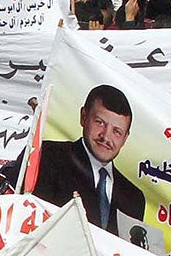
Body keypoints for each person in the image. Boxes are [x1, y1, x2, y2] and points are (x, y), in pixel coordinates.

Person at [32, 85, 147, 236]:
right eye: (100, 123)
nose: (106, 137)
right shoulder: (47, 157)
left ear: (125, 138)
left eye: (117, 132)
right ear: (83, 117)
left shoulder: (133, 198)